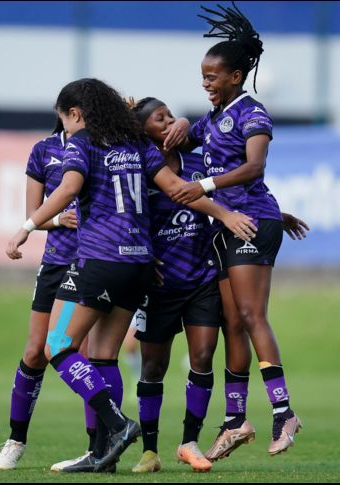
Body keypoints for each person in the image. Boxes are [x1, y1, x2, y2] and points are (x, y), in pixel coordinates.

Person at [5, 78, 257, 473]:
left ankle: (117, 423)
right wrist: (224, 212)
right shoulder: (137, 145)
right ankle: (102, 456)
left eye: (65, 121)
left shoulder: (83, 142)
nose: (65, 130)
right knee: (105, 356)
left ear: (76, 114)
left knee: (57, 346)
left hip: (101, 260)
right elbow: (176, 187)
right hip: (140, 264)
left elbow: (69, 186)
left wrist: (28, 225)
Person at [165, 2, 307, 460]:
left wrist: (204, 185)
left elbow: (254, 166)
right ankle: (234, 420)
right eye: (203, 76)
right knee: (232, 324)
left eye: (212, 76)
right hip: (231, 227)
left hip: (248, 224)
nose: (205, 83)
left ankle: (284, 413)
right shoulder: (215, 115)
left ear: (236, 75)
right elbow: (187, 139)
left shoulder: (253, 113)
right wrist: (184, 122)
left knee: (250, 316)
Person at [0, 120, 99, 471]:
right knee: (35, 351)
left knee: (82, 352)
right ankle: (15, 439)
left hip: (92, 262)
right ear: (67, 112)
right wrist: (58, 221)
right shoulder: (43, 151)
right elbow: (33, 216)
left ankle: (97, 445)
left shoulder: (103, 146)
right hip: (55, 263)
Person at [126, 98, 222, 473]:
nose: (168, 122)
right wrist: (146, 258)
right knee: (153, 366)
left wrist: (271, 216)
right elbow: (127, 219)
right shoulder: (136, 170)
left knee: (202, 358)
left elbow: (229, 197)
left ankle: (189, 441)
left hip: (202, 278)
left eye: (170, 115)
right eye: (158, 118)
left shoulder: (197, 164)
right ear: (143, 131)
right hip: (159, 284)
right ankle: (149, 452)